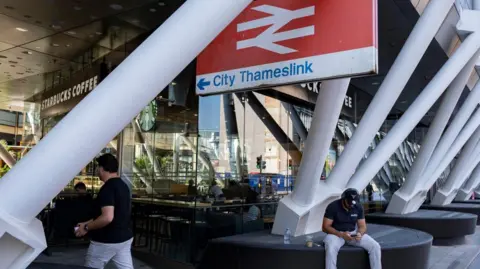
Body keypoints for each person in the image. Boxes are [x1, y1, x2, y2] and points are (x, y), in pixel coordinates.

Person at [75, 153, 133, 269]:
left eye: (97, 167)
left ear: (102, 168)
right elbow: (110, 214)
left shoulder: (108, 188)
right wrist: (86, 223)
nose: (97, 170)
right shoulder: (123, 186)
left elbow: (107, 217)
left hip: (106, 240)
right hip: (124, 238)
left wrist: (87, 228)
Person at [322, 188, 381, 269]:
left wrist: (359, 233)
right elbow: (325, 227)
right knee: (331, 248)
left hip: (353, 233)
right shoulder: (333, 206)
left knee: (375, 246)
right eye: (349, 202)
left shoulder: (358, 206)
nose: (351, 205)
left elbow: (362, 226)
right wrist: (341, 234)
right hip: (336, 234)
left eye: (353, 202)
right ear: (344, 199)